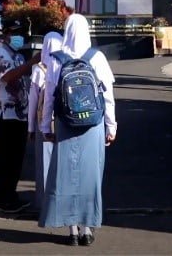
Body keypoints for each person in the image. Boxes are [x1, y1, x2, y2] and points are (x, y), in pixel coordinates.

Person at [38, 14, 117, 246]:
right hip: (93, 125)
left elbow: (50, 98)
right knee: (91, 177)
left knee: (66, 177)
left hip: (65, 123)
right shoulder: (97, 57)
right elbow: (108, 97)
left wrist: (45, 126)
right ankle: (87, 229)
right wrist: (111, 125)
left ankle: (72, 231)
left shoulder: (56, 59)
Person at [0, 20, 40, 213]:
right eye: (16, 32)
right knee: (4, 159)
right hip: (3, 115)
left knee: (16, 159)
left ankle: (11, 196)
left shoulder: (15, 54)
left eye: (22, 33)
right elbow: (8, 77)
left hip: (18, 114)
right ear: (7, 33)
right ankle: (1, 199)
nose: (20, 37)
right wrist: (32, 63)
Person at [27, 31, 63, 210]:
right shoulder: (66, 65)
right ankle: (63, 205)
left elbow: (33, 102)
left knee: (45, 165)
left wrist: (31, 128)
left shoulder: (39, 69)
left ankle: (45, 206)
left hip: (44, 124)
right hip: (65, 124)